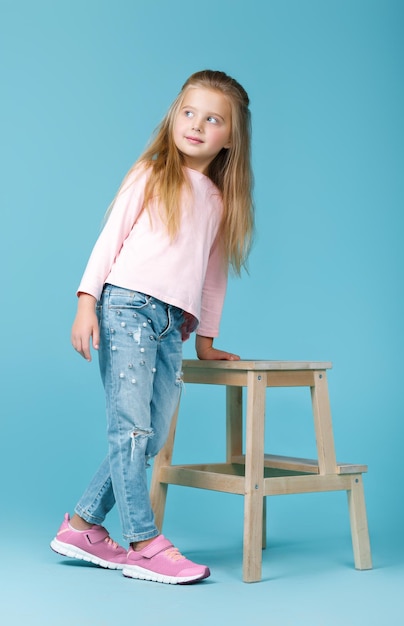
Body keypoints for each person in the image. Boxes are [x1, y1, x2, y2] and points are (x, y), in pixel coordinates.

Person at [50, 69, 254, 585]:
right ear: (174, 115)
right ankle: (142, 541)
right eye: (189, 112)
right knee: (131, 428)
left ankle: (80, 525)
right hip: (127, 309)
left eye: (213, 119)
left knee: (153, 435)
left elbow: (212, 277)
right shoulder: (153, 172)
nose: (197, 125)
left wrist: (205, 341)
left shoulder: (218, 199)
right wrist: (85, 302)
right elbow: (109, 240)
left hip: (172, 326)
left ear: (231, 135)